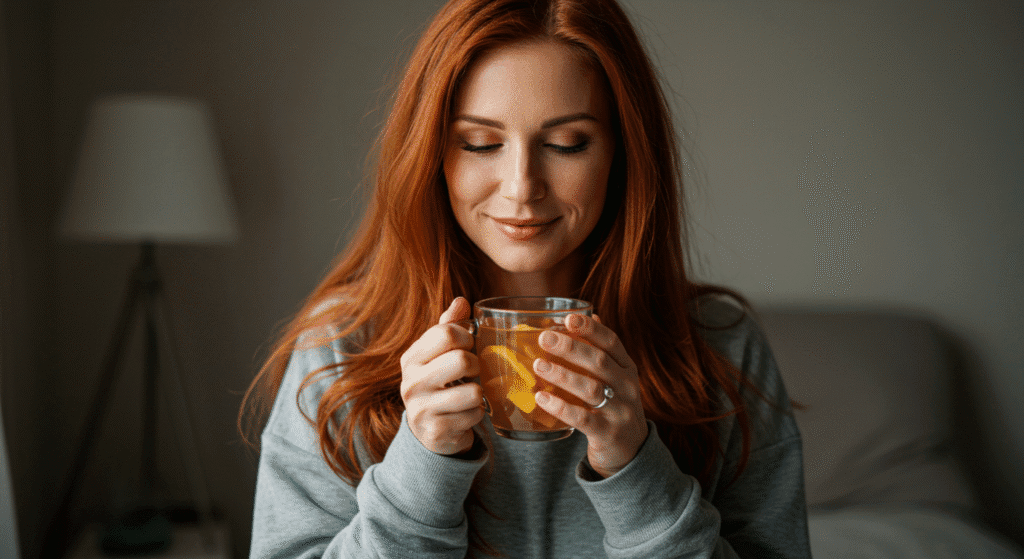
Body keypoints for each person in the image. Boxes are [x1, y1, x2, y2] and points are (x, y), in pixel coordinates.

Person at [240, 0, 811, 557]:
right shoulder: (339, 348)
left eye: (567, 144)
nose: (521, 188)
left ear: (623, 153)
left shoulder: (722, 345)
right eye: (480, 143)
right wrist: (421, 471)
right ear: (433, 154)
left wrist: (636, 468)